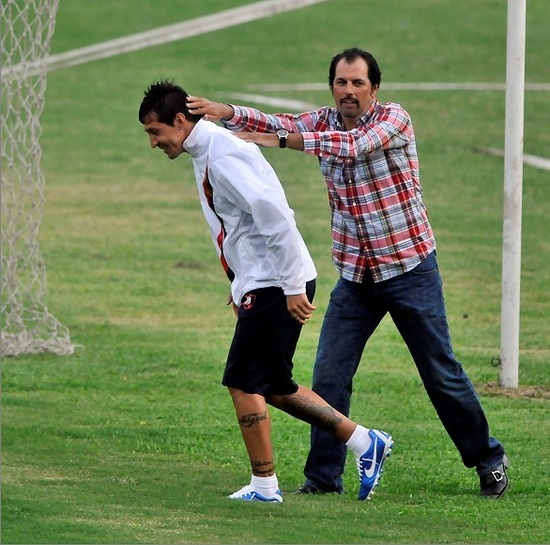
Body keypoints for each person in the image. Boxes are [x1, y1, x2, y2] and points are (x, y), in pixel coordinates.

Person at [186, 47, 509, 499]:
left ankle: (488, 459)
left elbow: (351, 147)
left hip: (409, 269)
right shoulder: (323, 122)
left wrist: (280, 142)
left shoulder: (393, 120)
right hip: (356, 278)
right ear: (332, 87)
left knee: (440, 372)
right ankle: (323, 479)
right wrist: (228, 113)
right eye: (341, 83)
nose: (349, 91)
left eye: (358, 83)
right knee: (330, 374)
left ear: (374, 88)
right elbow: (280, 123)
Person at [138, 79, 394, 503]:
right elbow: (238, 227)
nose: (153, 142)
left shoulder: (223, 153)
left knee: (242, 380)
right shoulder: (205, 150)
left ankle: (264, 485)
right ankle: (365, 442)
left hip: (278, 279)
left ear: (179, 121)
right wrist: (241, 283)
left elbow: (273, 213)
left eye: (155, 131)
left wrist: (292, 286)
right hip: (265, 278)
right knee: (273, 382)